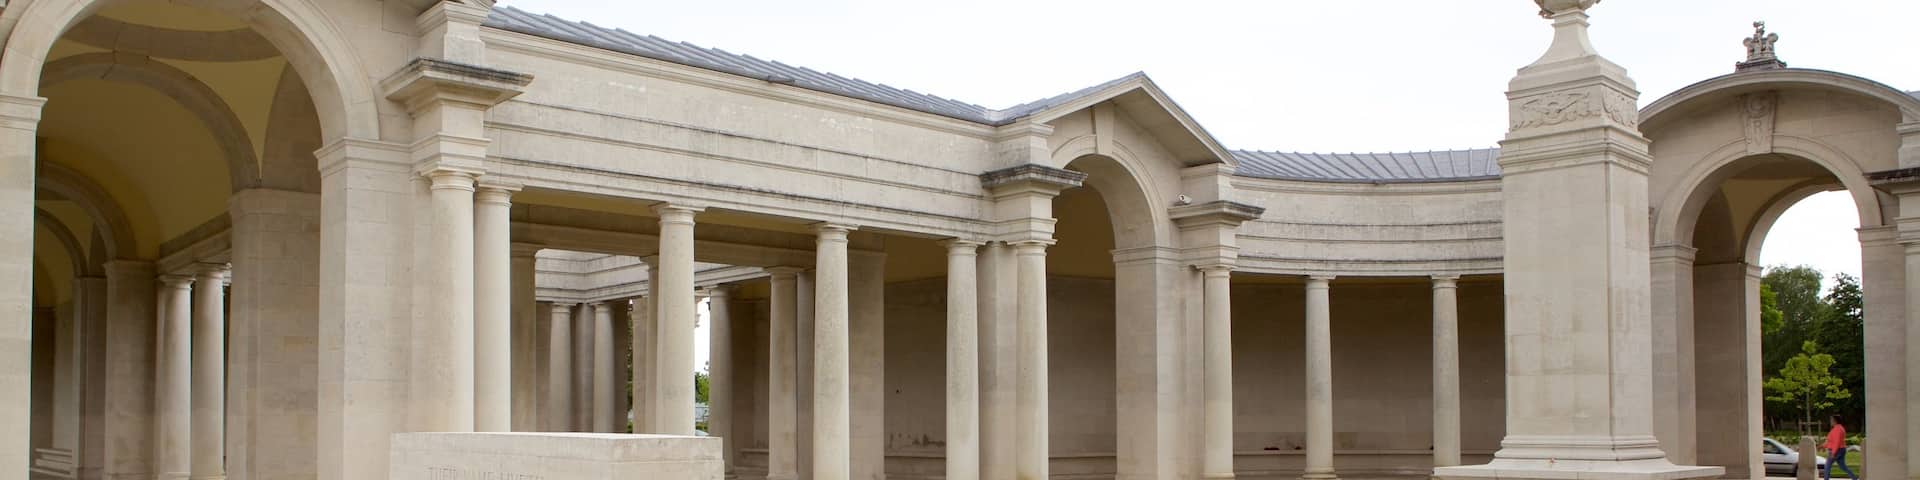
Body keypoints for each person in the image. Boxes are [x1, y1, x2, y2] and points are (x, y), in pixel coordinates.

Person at [1826, 415, 1855, 480]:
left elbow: (1837, 442)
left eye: (1831, 420)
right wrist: (1822, 446)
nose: (1830, 422)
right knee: (1843, 466)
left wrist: (1833, 453)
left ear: (1835, 421)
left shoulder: (1837, 429)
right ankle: (1854, 478)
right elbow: (1831, 441)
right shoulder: (1839, 428)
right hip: (1841, 449)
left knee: (1827, 466)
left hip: (1837, 450)